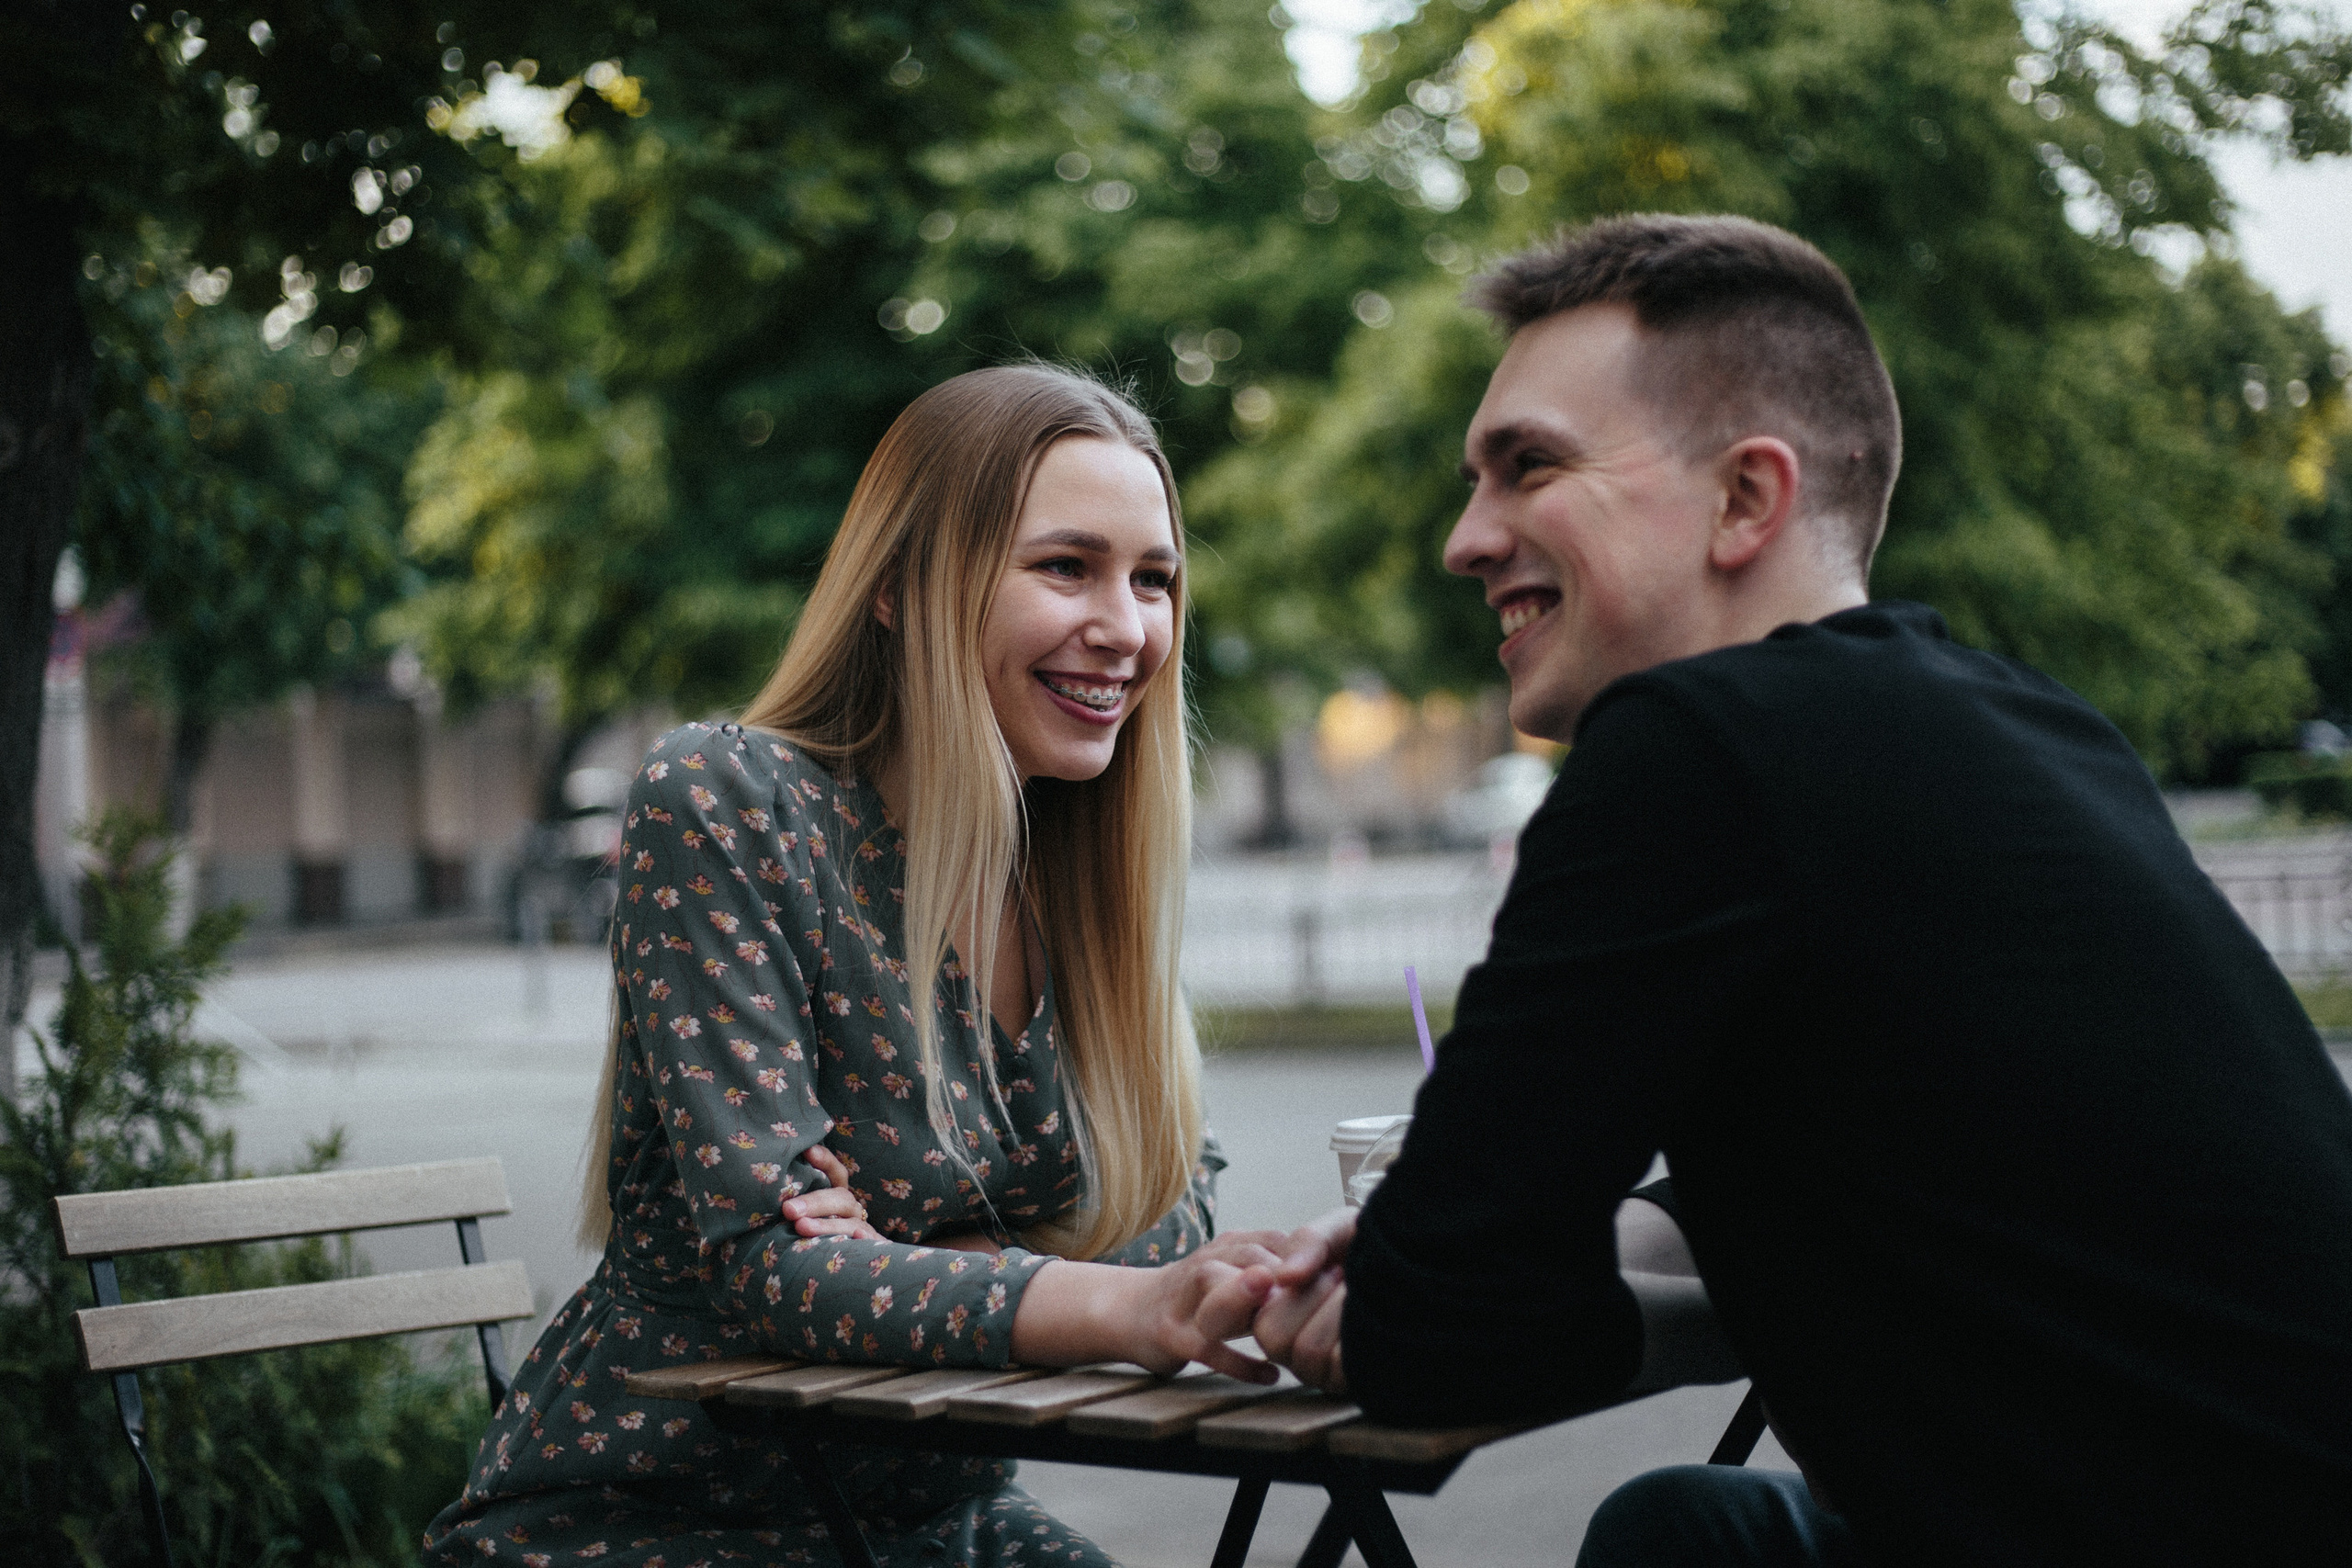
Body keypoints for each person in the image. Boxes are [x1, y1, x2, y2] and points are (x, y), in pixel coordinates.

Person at [1250, 215, 2352, 1565]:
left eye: (1529, 467)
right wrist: (1644, 1270)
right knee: (1688, 1530)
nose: (1465, 539)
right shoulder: (2026, 723)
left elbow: (1432, 1328)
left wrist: (1456, 1286)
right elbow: (1874, 1172)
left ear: (1746, 500)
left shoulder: (1698, 747)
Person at [424, 364, 1286, 1567]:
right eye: (1065, 566)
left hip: (933, 1522)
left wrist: (905, 1260)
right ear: (898, 588)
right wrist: (1111, 1299)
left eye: (1154, 579)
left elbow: (1173, 1210)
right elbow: (774, 1276)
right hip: (653, 1516)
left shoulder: (1080, 866)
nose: (1128, 627)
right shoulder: (731, 800)